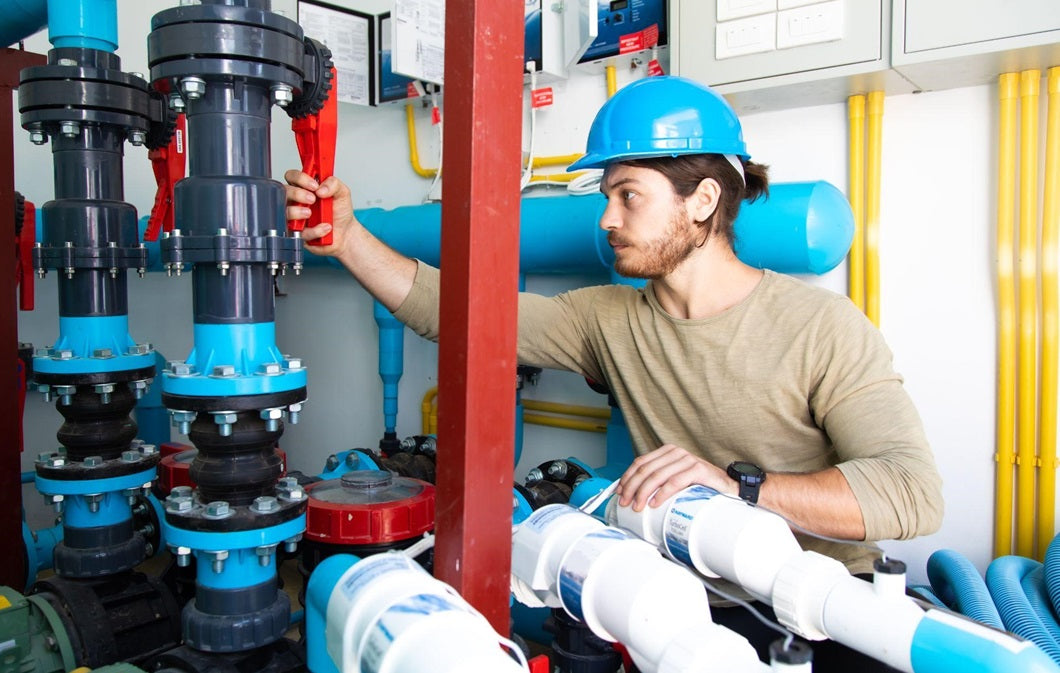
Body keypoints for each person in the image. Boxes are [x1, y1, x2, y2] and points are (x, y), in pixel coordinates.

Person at [285, 75, 943, 670]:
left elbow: (912, 492)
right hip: (686, 606)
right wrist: (345, 238)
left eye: (629, 196)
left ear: (703, 200)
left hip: (831, 611)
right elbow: (458, 316)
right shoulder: (611, 319)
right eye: (607, 196)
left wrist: (737, 488)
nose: (606, 219)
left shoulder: (819, 326)